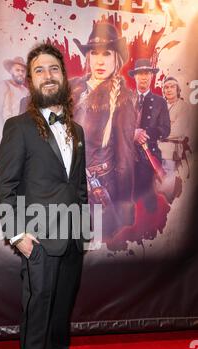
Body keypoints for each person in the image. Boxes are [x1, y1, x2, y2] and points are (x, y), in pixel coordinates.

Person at [0, 43, 88, 349]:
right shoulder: (18, 127)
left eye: (54, 69)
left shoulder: (77, 129)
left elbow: (78, 186)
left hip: (72, 235)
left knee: (63, 303)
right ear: (30, 81)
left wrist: (82, 231)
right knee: (38, 307)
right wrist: (18, 235)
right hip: (38, 237)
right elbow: (6, 186)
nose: (48, 75)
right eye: (39, 70)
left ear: (64, 77)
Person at [71, 22, 136, 240]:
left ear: (116, 58)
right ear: (87, 57)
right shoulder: (72, 87)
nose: (100, 61)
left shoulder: (123, 100)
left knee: (92, 256)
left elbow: (125, 157)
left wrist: (124, 206)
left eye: (106, 54)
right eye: (94, 53)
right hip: (65, 185)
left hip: (98, 190)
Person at [129, 58, 171, 212]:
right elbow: (115, 129)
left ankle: (151, 229)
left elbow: (165, 129)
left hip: (148, 156)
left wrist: (146, 134)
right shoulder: (125, 100)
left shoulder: (160, 102)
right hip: (126, 157)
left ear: (152, 76)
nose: (144, 77)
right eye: (140, 73)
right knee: (128, 198)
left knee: (147, 199)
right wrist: (132, 134)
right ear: (134, 76)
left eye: (147, 73)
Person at [157, 76, 192, 202]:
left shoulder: (183, 107)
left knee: (167, 183)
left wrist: (157, 132)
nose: (169, 89)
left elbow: (178, 131)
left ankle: (167, 205)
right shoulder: (160, 106)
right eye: (166, 87)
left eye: (172, 86)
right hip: (155, 150)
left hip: (171, 151)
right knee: (154, 183)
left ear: (178, 89)